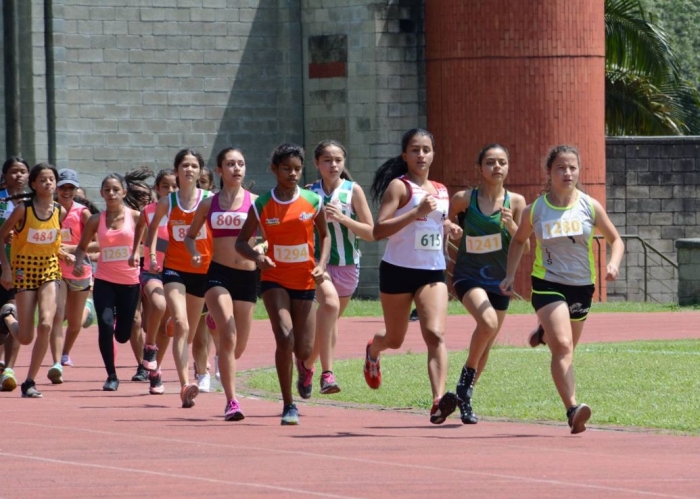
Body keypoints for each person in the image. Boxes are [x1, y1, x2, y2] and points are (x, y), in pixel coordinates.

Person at [499, 145, 624, 434]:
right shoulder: (536, 209)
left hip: (581, 286)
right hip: (548, 283)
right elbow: (519, 241)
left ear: (579, 171)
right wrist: (509, 275)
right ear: (549, 172)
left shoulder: (590, 206)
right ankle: (572, 409)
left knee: (567, 349)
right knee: (563, 346)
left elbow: (616, 240)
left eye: (572, 168)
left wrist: (613, 264)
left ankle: (544, 332)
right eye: (561, 168)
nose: (567, 173)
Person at [364, 128, 462, 425]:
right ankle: (373, 350)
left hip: (431, 272)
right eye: (415, 150)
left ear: (434, 153)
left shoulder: (442, 189)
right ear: (405, 155)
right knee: (395, 339)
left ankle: (437, 401)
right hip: (397, 270)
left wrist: (449, 227)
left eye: (426, 150)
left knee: (435, 334)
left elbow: (437, 221)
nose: (421, 155)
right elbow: (378, 230)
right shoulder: (399, 187)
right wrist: (415, 211)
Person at [235, 143, 330, 425]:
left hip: (305, 279)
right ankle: (289, 404)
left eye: (297, 169)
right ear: (274, 169)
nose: (292, 174)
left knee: (303, 348)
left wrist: (322, 265)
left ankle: (305, 367)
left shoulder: (313, 201)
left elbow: (324, 236)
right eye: (286, 168)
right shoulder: (262, 204)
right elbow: (241, 242)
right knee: (284, 338)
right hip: (274, 279)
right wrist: (257, 257)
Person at [446, 144, 528, 424]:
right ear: (480, 168)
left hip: (499, 281)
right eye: (491, 162)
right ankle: (462, 385)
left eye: (502, 162)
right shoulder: (464, 199)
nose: (497, 167)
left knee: (486, 343)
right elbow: (441, 221)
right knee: (488, 322)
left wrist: (513, 227)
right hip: (468, 275)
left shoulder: (516, 202)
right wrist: (450, 227)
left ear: (508, 167)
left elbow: (524, 245)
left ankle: (465, 398)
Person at [186, 147, 260, 420]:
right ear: (219, 170)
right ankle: (232, 402)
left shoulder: (255, 202)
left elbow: (268, 235)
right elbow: (190, 236)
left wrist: (262, 247)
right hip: (218, 274)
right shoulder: (209, 204)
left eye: (241, 164)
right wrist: (194, 252)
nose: (236, 169)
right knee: (228, 337)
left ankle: (212, 322)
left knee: (237, 348)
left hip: (247, 276)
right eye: (230, 164)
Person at [299, 140, 373, 397]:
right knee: (328, 306)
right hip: (319, 265)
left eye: (338, 160)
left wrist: (343, 219)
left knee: (329, 324)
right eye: (327, 160)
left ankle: (306, 366)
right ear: (317, 164)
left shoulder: (353, 191)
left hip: (348, 266)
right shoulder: (309, 193)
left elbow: (371, 232)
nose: (333, 165)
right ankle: (327, 374)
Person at [144, 149, 212, 409]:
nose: (189, 170)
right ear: (176, 170)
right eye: (184, 165)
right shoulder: (167, 203)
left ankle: (175, 319)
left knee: (189, 333)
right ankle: (185, 386)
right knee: (182, 326)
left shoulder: (209, 200)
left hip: (202, 272)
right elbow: (152, 229)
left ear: (200, 171)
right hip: (174, 269)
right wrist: (151, 254)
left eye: (194, 165)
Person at [0, 163, 72, 398]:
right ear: (33, 184)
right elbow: (2, 237)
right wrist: (7, 269)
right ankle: (7, 315)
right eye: (42, 180)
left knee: (46, 324)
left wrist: (64, 254)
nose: (48, 183)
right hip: (24, 271)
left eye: (51, 179)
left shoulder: (60, 211)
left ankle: (29, 381)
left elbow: (53, 241)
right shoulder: (23, 210)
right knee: (26, 336)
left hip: (49, 269)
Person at [73, 173, 141, 391]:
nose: (111, 194)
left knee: (123, 334)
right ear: (102, 193)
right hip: (104, 280)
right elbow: (82, 247)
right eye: (107, 190)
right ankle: (111, 375)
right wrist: (78, 261)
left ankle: (134, 353)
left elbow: (148, 240)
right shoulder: (96, 220)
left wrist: (142, 254)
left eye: (115, 189)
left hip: (130, 282)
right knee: (104, 325)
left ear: (124, 192)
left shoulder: (136, 217)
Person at [130, 168, 177, 395]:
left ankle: (156, 371)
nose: (170, 190)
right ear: (157, 189)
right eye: (165, 186)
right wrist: (134, 253)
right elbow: (141, 232)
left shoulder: (185, 213)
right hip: (152, 271)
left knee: (168, 326)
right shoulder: (148, 212)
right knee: (158, 305)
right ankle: (149, 347)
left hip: (177, 273)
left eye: (174, 186)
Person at [48, 169, 97, 381]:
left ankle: (66, 351)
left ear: (76, 190)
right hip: (54, 270)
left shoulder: (83, 213)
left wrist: (73, 249)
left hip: (79, 269)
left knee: (75, 322)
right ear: (56, 188)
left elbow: (97, 243)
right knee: (57, 316)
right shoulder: (48, 210)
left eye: (70, 188)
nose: (66, 191)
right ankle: (57, 362)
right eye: (63, 187)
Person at [0, 157, 30, 392]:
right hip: (2, 266)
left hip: (23, 268)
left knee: (13, 313)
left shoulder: (33, 204)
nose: (18, 176)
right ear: (5, 175)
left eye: (22, 172)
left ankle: (9, 369)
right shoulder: (0, 201)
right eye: (13, 172)